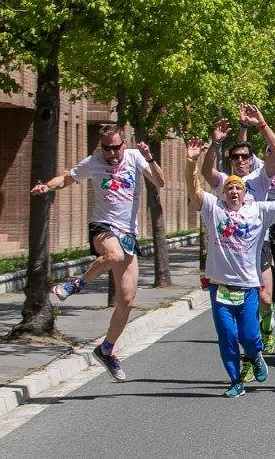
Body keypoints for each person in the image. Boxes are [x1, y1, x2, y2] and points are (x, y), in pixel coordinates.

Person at [184, 137, 275, 397]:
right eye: (229, 189)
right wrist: (191, 161)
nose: (234, 192)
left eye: (238, 189)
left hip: (247, 285)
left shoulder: (258, 210)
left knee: (248, 335)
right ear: (223, 193)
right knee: (226, 335)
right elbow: (194, 190)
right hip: (220, 286)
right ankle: (235, 380)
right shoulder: (213, 209)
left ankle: (256, 355)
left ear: (245, 193)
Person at [35, 124, 166, 382]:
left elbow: (160, 181)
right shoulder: (93, 163)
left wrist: (149, 156)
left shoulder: (135, 158)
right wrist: (47, 187)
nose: (112, 153)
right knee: (113, 255)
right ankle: (75, 285)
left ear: (123, 144)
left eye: (116, 147)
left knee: (127, 301)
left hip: (128, 235)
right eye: (106, 149)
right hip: (103, 227)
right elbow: (67, 177)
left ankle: (106, 349)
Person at [200, 106, 275, 365]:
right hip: (229, 252)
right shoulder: (225, 181)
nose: (239, 160)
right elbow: (206, 172)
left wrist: (261, 123)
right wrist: (215, 143)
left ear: (251, 158)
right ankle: (249, 354)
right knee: (237, 311)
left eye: (244, 156)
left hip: (259, 247)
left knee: (265, 297)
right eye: (235, 156)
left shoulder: (260, 179)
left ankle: (267, 325)